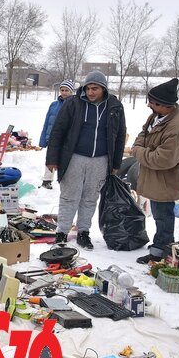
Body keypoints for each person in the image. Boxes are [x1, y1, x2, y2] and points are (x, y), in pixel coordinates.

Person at [46, 71, 126, 250]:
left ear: (103, 89)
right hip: (74, 157)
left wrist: (116, 163)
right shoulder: (73, 103)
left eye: (95, 89)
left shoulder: (114, 106)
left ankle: (84, 232)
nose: (90, 92)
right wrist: (52, 158)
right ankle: (62, 232)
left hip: (101, 159)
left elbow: (120, 135)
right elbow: (58, 130)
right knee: (69, 196)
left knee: (90, 198)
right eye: (88, 88)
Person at [131, 78, 179, 264]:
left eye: (152, 102)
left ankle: (159, 253)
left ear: (165, 105)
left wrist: (138, 151)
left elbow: (162, 159)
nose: (149, 105)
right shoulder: (157, 116)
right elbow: (143, 134)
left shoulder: (177, 128)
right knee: (159, 215)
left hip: (166, 181)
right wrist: (139, 147)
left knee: (163, 217)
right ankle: (161, 245)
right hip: (155, 179)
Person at [39, 80, 74, 189]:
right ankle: (47, 180)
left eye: (66, 90)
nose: (64, 92)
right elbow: (47, 123)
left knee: (65, 161)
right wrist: (43, 139)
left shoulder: (73, 105)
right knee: (50, 159)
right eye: (62, 90)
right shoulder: (54, 105)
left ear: (71, 91)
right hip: (52, 138)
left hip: (65, 139)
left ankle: (66, 182)